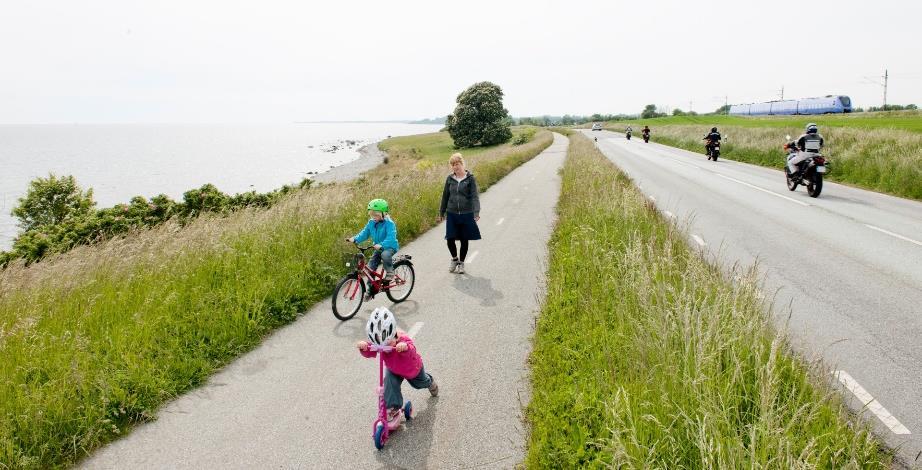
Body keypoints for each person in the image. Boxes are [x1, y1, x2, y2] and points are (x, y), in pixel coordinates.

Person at [357, 307, 438, 426]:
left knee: (420, 383)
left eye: (388, 343)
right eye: (380, 343)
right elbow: (370, 350)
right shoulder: (380, 340)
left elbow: (411, 349)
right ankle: (393, 408)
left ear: (394, 335)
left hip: (411, 369)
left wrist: (404, 347)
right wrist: (364, 347)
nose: (385, 346)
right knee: (389, 383)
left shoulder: (403, 339)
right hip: (394, 369)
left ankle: (429, 382)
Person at [347, 199, 399, 300]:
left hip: (390, 246)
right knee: (370, 268)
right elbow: (365, 233)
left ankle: (390, 272)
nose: (373, 217)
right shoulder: (371, 223)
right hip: (378, 247)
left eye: (376, 215)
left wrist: (381, 244)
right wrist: (355, 239)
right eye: (372, 215)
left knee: (385, 255)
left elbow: (391, 238)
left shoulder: (389, 224)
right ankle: (370, 290)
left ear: (384, 214)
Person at [439, 153, 481, 274]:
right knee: (450, 238)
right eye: (453, 164)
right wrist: (441, 212)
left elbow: (474, 196)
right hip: (452, 213)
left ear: (462, 164)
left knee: (464, 239)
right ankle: (454, 259)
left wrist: (476, 212)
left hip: (467, 213)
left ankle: (461, 263)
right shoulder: (449, 178)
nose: (455, 166)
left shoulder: (470, 178)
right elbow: (445, 196)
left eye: (457, 164)